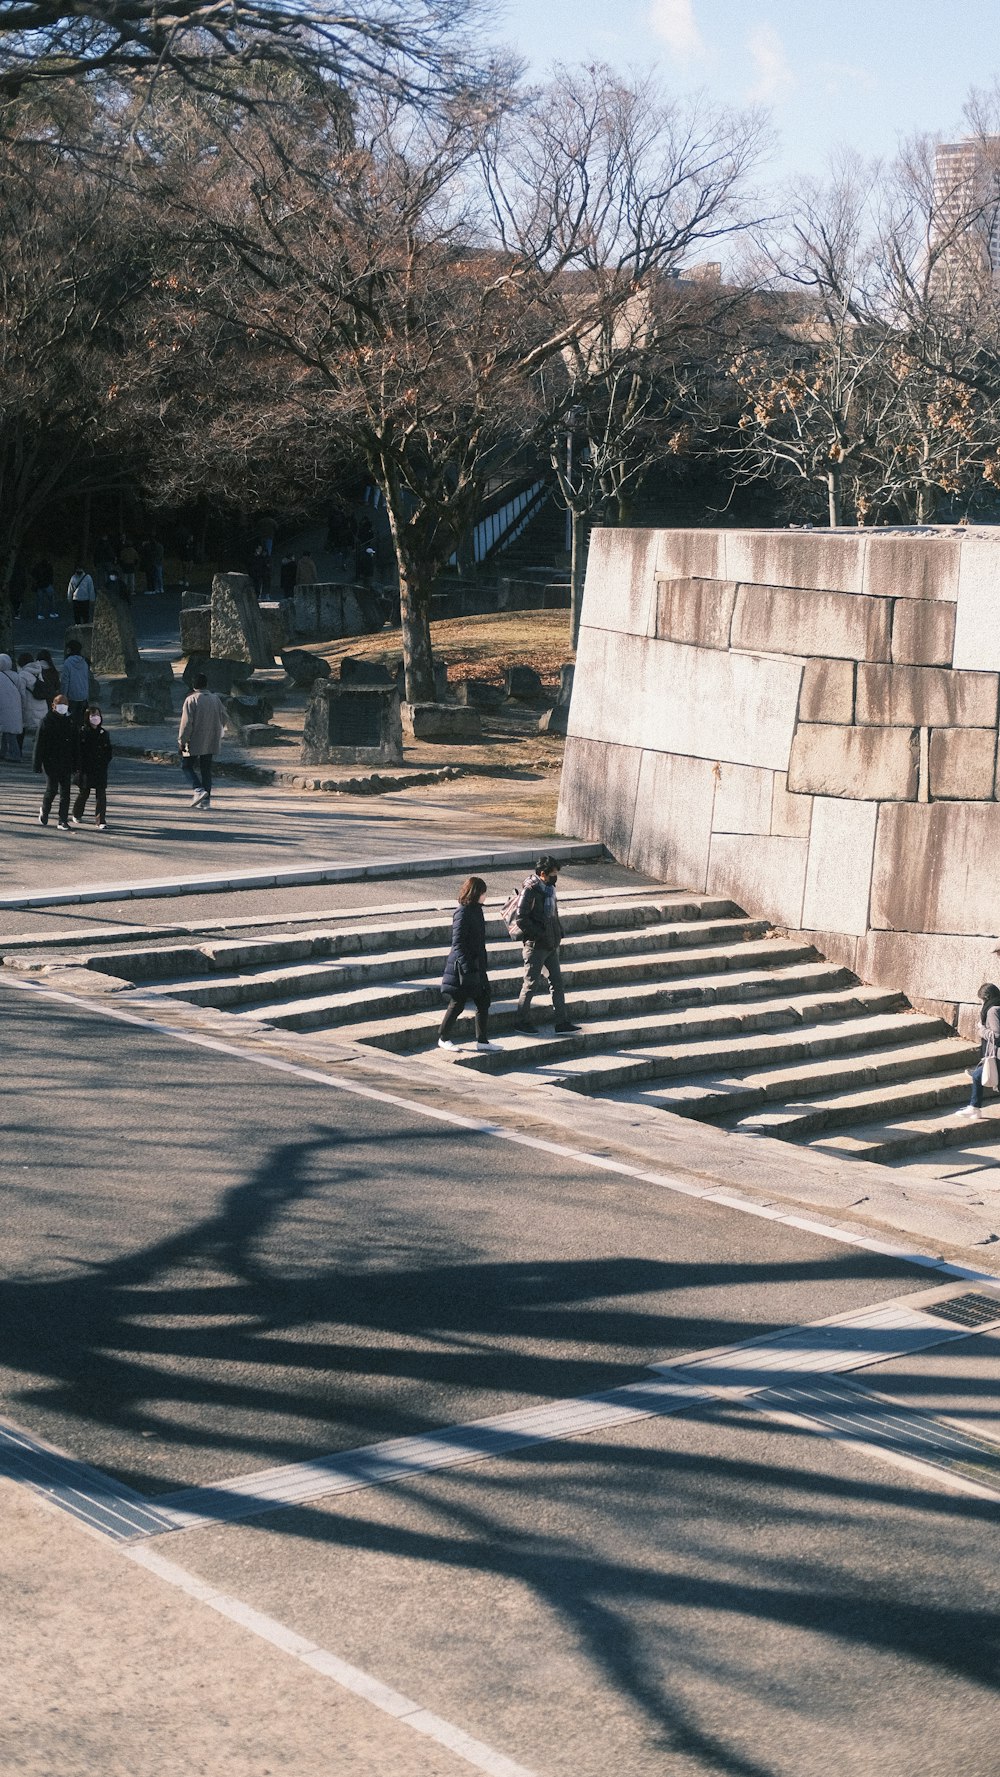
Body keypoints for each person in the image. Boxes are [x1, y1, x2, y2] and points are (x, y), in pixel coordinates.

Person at [512, 855, 581, 1037]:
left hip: (550, 943)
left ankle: (561, 1022)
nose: (555, 878)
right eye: (552, 874)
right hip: (536, 945)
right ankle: (521, 1021)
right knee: (531, 984)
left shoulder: (550, 889)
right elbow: (521, 919)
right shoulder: (530, 890)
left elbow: (553, 914)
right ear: (542, 874)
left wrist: (558, 932)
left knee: (557, 983)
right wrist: (540, 933)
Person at [438, 877, 500, 1053]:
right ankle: (443, 1037)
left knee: (484, 1000)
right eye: (483, 893)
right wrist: (467, 967)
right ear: (476, 893)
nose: (485, 896)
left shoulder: (477, 911)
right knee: (457, 1002)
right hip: (462, 968)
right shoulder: (462, 912)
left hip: (477, 965)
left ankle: (482, 1041)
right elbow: (458, 944)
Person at [178, 670, 225, 809]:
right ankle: (206, 800)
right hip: (211, 738)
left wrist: (181, 741)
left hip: (192, 739)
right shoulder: (215, 698)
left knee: (186, 765)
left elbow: (186, 723)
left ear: (193, 685)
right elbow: (224, 717)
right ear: (206, 684)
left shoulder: (191, 699)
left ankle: (198, 789)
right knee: (206, 769)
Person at [954, 983, 1000, 1122]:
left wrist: (981, 1029)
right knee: (977, 1075)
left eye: (981, 999)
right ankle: (974, 1108)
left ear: (986, 997)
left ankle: (974, 1108)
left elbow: (997, 1035)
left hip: (997, 1055)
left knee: (977, 1076)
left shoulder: (993, 1010)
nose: (981, 1003)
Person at [34, 691, 80, 828]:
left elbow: (76, 745)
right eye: (60, 704)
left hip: (66, 762)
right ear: (53, 705)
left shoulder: (71, 721)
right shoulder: (46, 721)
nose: (62, 706)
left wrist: (77, 763)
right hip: (50, 762)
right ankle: (45, 810)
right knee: (52, 789)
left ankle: (63, 820)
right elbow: (39, 745)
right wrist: (37, 764)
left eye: (65, 704)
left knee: (66, 792)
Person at [70, 705, 113, 830]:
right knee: (84, 792)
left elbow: (108, 750)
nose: (96, 718)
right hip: (86, 769)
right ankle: (77, 813)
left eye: (98, 715)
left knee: (101, 794)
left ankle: (100, 820)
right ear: (87, 718)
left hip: (100, 768)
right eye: (93, 715)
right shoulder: (82, 732)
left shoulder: (103, 733)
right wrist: (77, 767)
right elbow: (77, 751)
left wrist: (105, 761)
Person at [16, 652, 48, 741]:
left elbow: (21, 694)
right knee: (39, 734)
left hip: (30, 709)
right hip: (42, 705)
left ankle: (19, 752)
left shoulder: (22, 675)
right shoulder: (38, 672)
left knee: (22, 732)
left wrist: (20, 709)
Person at [60, 638, 90, 721]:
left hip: (72, 696)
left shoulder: (67, 663)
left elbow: (65, 682)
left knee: (71, 719)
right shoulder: (84, 662)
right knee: (82, 719)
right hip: (83, 695)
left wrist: (63, 696)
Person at [0, 653, 23, 761]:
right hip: (15, 707)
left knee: (7, 732)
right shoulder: (16, 676)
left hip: (3, 708)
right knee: (9, 731)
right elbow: (22, 693)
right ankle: (4, 752)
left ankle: (15, 755)